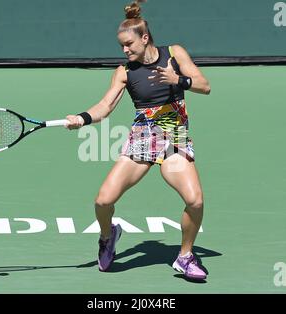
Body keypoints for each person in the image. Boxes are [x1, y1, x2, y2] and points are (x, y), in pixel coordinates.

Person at [65, 0, 211, 281]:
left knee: (195, 201)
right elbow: (105, 107)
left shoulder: (174, 53)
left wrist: (178, 80)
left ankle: (185, 256)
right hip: (143, 138)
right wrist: (81, 118)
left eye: (129, 44)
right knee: (103, 201)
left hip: (175, 138)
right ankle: (108, 236)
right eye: (121, 45)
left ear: (144, 38)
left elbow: (205, 86)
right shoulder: (124, 72)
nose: (125, 50)